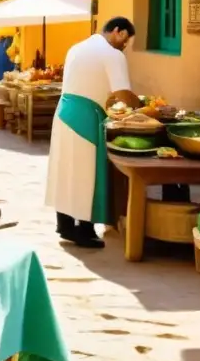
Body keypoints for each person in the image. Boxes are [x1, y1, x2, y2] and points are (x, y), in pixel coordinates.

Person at [46, 17, 142, 249]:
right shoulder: (112, 54)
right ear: (117, 32)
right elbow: (122, 93)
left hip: (65, 110)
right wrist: (143, 107)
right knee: (86, 173)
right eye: (125, 41)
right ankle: (85, 231)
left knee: (65, 171)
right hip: (86, 116)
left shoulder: (77, 47)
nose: (124, 47)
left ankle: (66, 225)